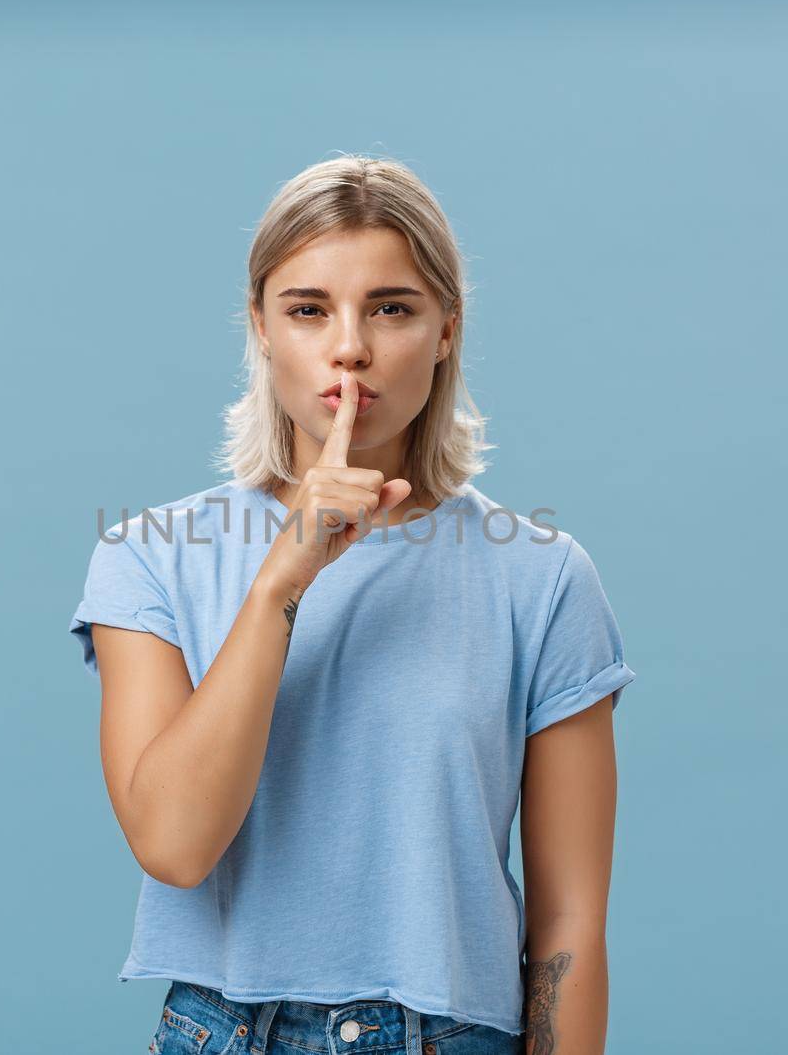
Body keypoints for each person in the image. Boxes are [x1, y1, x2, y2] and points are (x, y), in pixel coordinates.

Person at [69, 154, 635, 1055]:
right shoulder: (151, 555)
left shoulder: (545, 577)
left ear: (447, 327)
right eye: (307, 308)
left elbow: (570, 923)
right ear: (259, 326)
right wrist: (283, 577)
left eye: (392, 307)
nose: (350, 347)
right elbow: (175, 843)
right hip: (223, 1030)